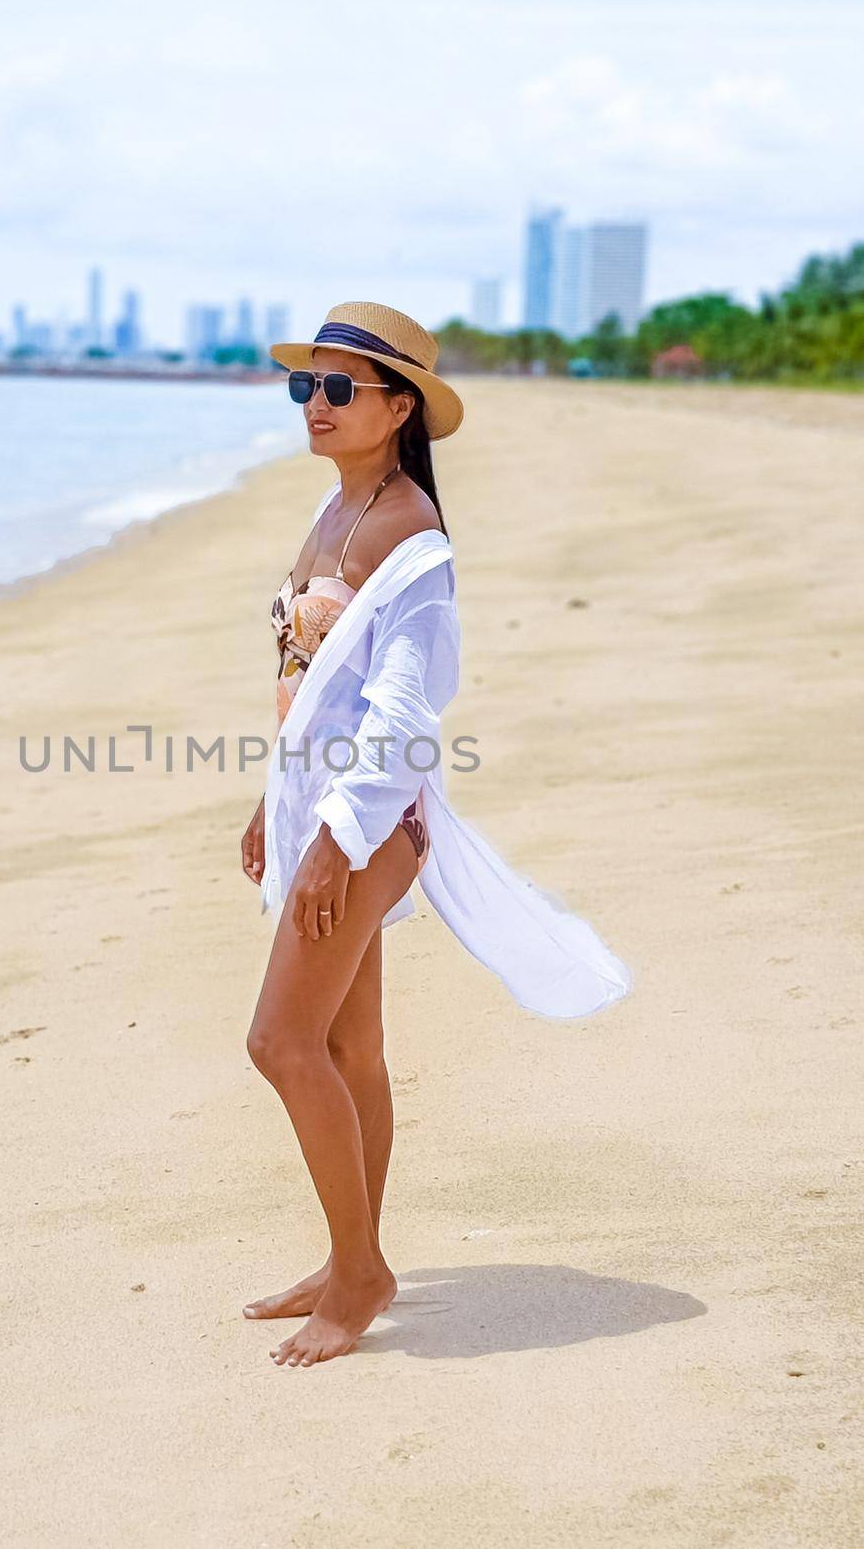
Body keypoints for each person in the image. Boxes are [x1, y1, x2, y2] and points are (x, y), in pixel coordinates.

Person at [239, 302, 632, 1369]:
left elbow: (405, 713)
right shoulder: (336, 511)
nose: (313, 407)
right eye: (302, 388)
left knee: (279, 1043)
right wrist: (270, 803)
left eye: (337, 389)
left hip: (365, 820)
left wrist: (331, 839)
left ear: (397, 405)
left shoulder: (408, 534)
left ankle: (360, 1274)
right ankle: (348, 1253)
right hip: (321, 808)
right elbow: (309, 681)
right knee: (346, 1045)